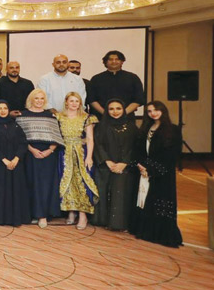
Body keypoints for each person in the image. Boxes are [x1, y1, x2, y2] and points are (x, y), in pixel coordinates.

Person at [130, 101, 183, 247]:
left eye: (156, 110)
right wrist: (140, 165)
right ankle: (145, 231)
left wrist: (152, 169)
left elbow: (172, 154)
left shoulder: (173, 130)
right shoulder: (145, 128)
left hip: (162, 173)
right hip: (144, 170)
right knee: (144, 201)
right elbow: (138, 150)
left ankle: (161, 234)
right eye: (149, 111)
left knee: (160, 201)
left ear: (163, 110)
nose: (153, 113)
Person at [16, 89, 63, 228]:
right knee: (31, 183)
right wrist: (32, 150)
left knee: (46, 185)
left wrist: (50, 150)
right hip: (30, 154)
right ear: (31, 99)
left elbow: (57, 136)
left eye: (42, 98)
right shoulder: (22, 115)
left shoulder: (51, 116)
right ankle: (33, 214)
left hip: (48, 155)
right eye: (36, 98)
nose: (39, 101)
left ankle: (43, 215)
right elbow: (20, 137)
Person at [93, 99, 139, 231]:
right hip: (105, 166)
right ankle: (103, 221)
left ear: (123, 110)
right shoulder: (101, 126)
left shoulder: (132, 127)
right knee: (103, 192)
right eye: (111, 109)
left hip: (125, 167)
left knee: (121, 193)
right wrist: (107, 161)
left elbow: (135, 147)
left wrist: (124, 163)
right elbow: (98, 145)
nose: (115, 112)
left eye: (118, 108)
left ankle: (119, 223)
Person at [0, 100, 30, 227]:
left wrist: (16, 159)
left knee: (15, 190)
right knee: (0, 191)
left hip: (15, 164)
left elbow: (23, 143)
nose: (3, 111)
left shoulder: (15, 125)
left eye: (5, 108)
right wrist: (4, 160)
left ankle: (14, 218)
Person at [57, 92, 99, 230]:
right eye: (72, 101)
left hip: (81, 153)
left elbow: (90, 139)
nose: (74, 104)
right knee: (67, 181)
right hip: (64, 153)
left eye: (77, 101)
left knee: (82, 181)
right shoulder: (59, 117)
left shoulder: (86, 118)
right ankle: (71, 211)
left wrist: (89, 156)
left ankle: (83, 215)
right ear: (66, 102)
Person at [88, 51, 145, 117]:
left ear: (122, 61)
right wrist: (106, 114)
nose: (114, 61)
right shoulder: (96, 79)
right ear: (105, 62)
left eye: (117, 59)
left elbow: (138, 99)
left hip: (126, 116)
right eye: (110, 59)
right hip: (101, 117)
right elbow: (91, 99)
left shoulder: (132, 78)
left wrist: (123, 114)